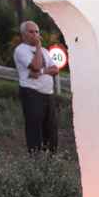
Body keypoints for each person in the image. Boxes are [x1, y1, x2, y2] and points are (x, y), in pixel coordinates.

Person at [14, 21, 59, 154]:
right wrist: (38, 47)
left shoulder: (45, 51)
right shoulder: (21, 50)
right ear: (23, 35)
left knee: (51, 128)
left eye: (37, 32)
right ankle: (36, 160)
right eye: (31, 32)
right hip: (31, 93)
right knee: (35, 129)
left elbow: (55, 69)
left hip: (48, 94)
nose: (35, 34)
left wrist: (40, 73)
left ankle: (51, 159)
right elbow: (35, 66)